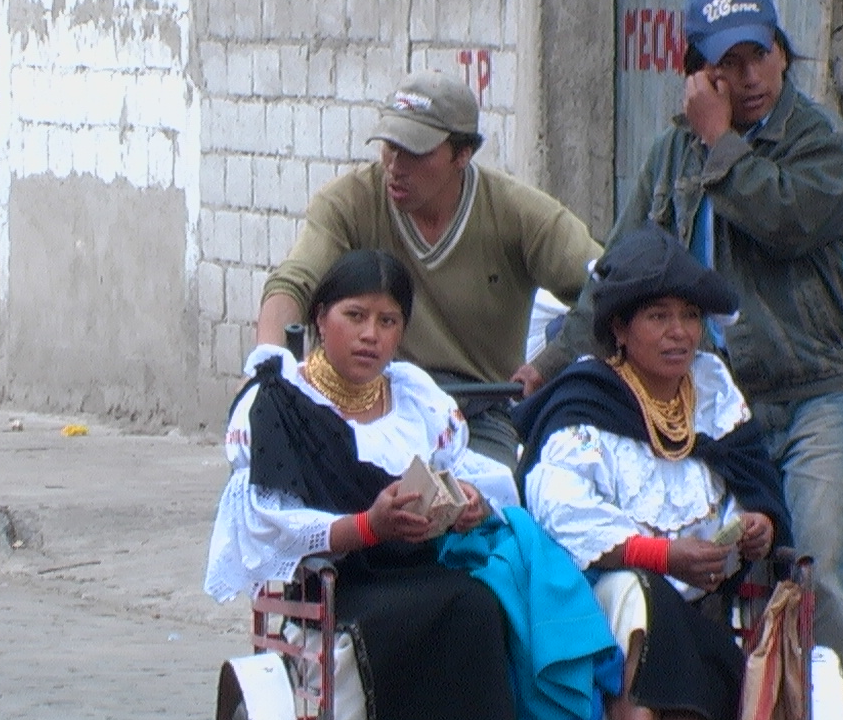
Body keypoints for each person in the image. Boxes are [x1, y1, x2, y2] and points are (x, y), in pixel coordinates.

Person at [533, 0, 843, 720]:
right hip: (707, 406)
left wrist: (724, 142)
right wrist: (548, 370)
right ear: (697, 70)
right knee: (692, 571)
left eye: (760, 54)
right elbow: (621, 272)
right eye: (728, 62)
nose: (751, 74)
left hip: (816, 388)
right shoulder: (671, 156)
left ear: (779, 53)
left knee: (821, 567)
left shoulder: (818, 138)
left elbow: (801, 219)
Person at [207, 249, 522, 720]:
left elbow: (464, 467)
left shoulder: (415, 395)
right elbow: (270, 521)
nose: (371, 336)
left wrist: (468, 502)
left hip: (418, 563)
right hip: (335, 573)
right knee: (362, 625)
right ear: (322, 318)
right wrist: (367, 527)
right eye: (355, 316)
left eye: (388, 321)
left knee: (477, 607)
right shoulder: (277, 402)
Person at [516, 226, 792, 720]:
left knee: (710, 629)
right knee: (646, 598)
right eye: (659, 317)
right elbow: (561, 511)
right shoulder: (587, 398)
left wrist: (757, 526)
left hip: (703, 587)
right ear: (619, 327)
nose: (680, 333)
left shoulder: (713, 391)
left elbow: (756, 478)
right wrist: (660, 553)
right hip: (601, 592)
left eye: (690, 317)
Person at [255, 70, 603, 466]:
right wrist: (267, 370)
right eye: (389, 147)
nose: (395, 166)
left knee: (484, 509)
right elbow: (294, 282)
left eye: (415, 153)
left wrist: (548, 364)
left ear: (462, 154)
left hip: (478, 415)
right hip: (360, 406)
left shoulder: (519, 214)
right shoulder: (348, 203)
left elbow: (610, 285)